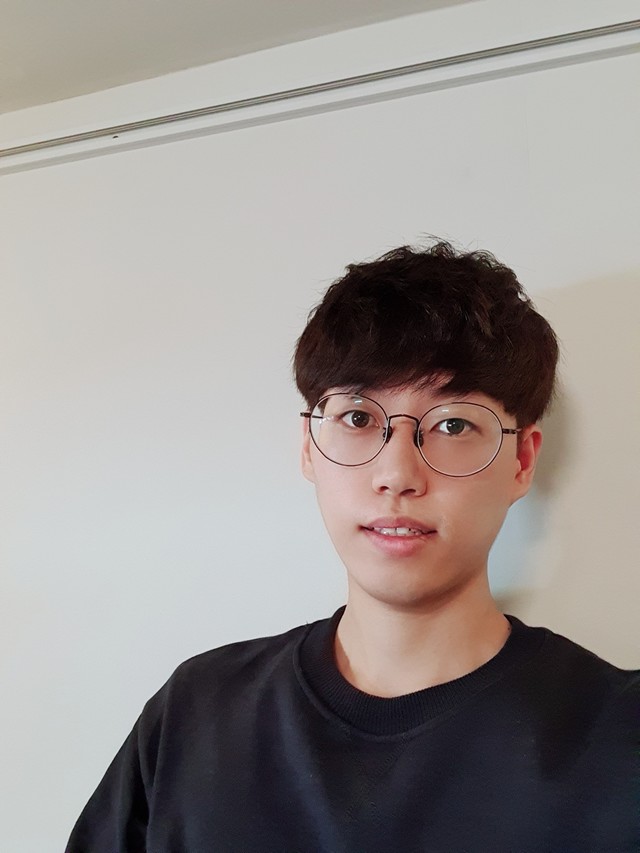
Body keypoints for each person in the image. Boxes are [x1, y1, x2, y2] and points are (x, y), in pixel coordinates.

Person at [66, 240, 639, 853]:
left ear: (521, 461)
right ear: (309, 448)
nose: (397, 474)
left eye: (452, 424)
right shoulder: (195, 714)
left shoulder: (618, 736)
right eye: (358, 418)